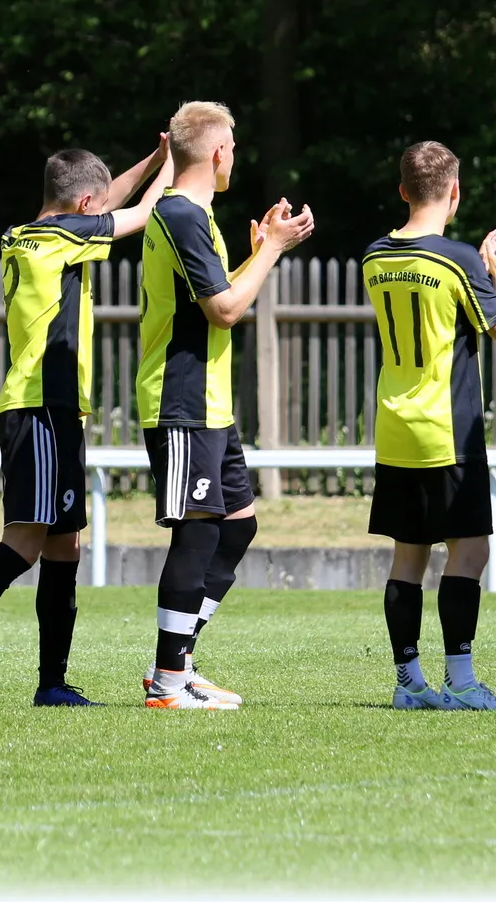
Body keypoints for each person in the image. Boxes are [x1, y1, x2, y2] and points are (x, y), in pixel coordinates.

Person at [0, 136, 174, 708]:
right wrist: (179, 162)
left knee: (64, 548)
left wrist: (155, 159)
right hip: (38, 407)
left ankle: (52, 685)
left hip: (55, 411)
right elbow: (142, 212)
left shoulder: (27, 233)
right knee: (24, 544)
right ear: (83, 207)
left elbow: (107, 202)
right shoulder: (63, 238)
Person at [137, 100, 313, 710]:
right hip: (181, 399)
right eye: (232, 148)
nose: (234, 158)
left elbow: (213, 297)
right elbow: (226, 311)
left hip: (210, 404)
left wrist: (259, 249)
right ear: (216, 152)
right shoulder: (182, 214)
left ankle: (177, 663)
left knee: (238, 525)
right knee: (198, 532)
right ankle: (167, 681)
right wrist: (273, 250)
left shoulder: (193, 214)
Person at [363, 141, 496, 711]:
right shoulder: (456, 259)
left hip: (395, 424)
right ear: (455, 191)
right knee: (470, 551)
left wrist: (474, 268)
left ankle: (409, 683)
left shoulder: (374, 255)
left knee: (408, 557)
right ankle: (461, 681)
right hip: (447, 427)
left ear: (402, 191)